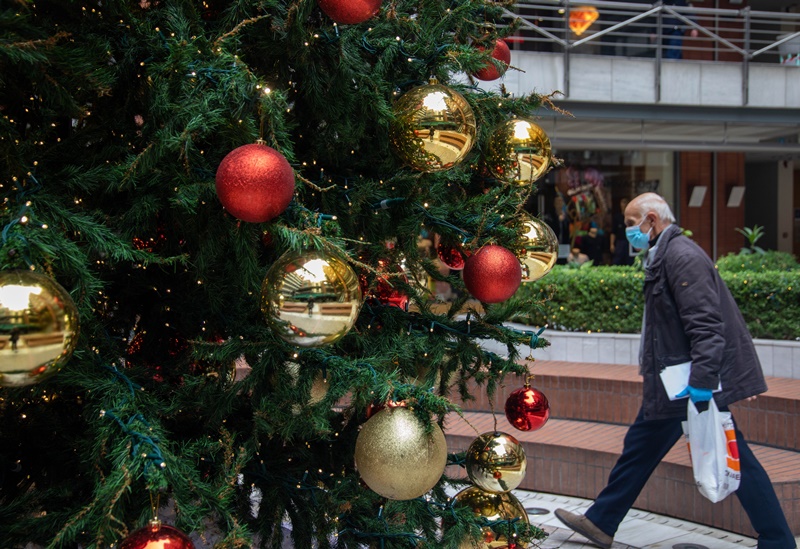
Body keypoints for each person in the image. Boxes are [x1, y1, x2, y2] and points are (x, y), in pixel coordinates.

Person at [554, 193, 796, 549]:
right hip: (676, 382)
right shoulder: (667, 253)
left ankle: (777, 539)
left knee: (733, 455)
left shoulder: (681, 256)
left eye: (630, 222)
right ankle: (602, 521)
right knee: (641, 446)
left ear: (652, 219)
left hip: (688, 383)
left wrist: (700, 385)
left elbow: (707, 328)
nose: (628, 231)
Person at [610, 197, 634, 265]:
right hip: (620, 241)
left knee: (629, 259)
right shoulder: (617, 217)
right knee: (617, 259)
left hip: (629, 241)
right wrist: (611, 244)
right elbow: (613, 232)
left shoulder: (631, 217)